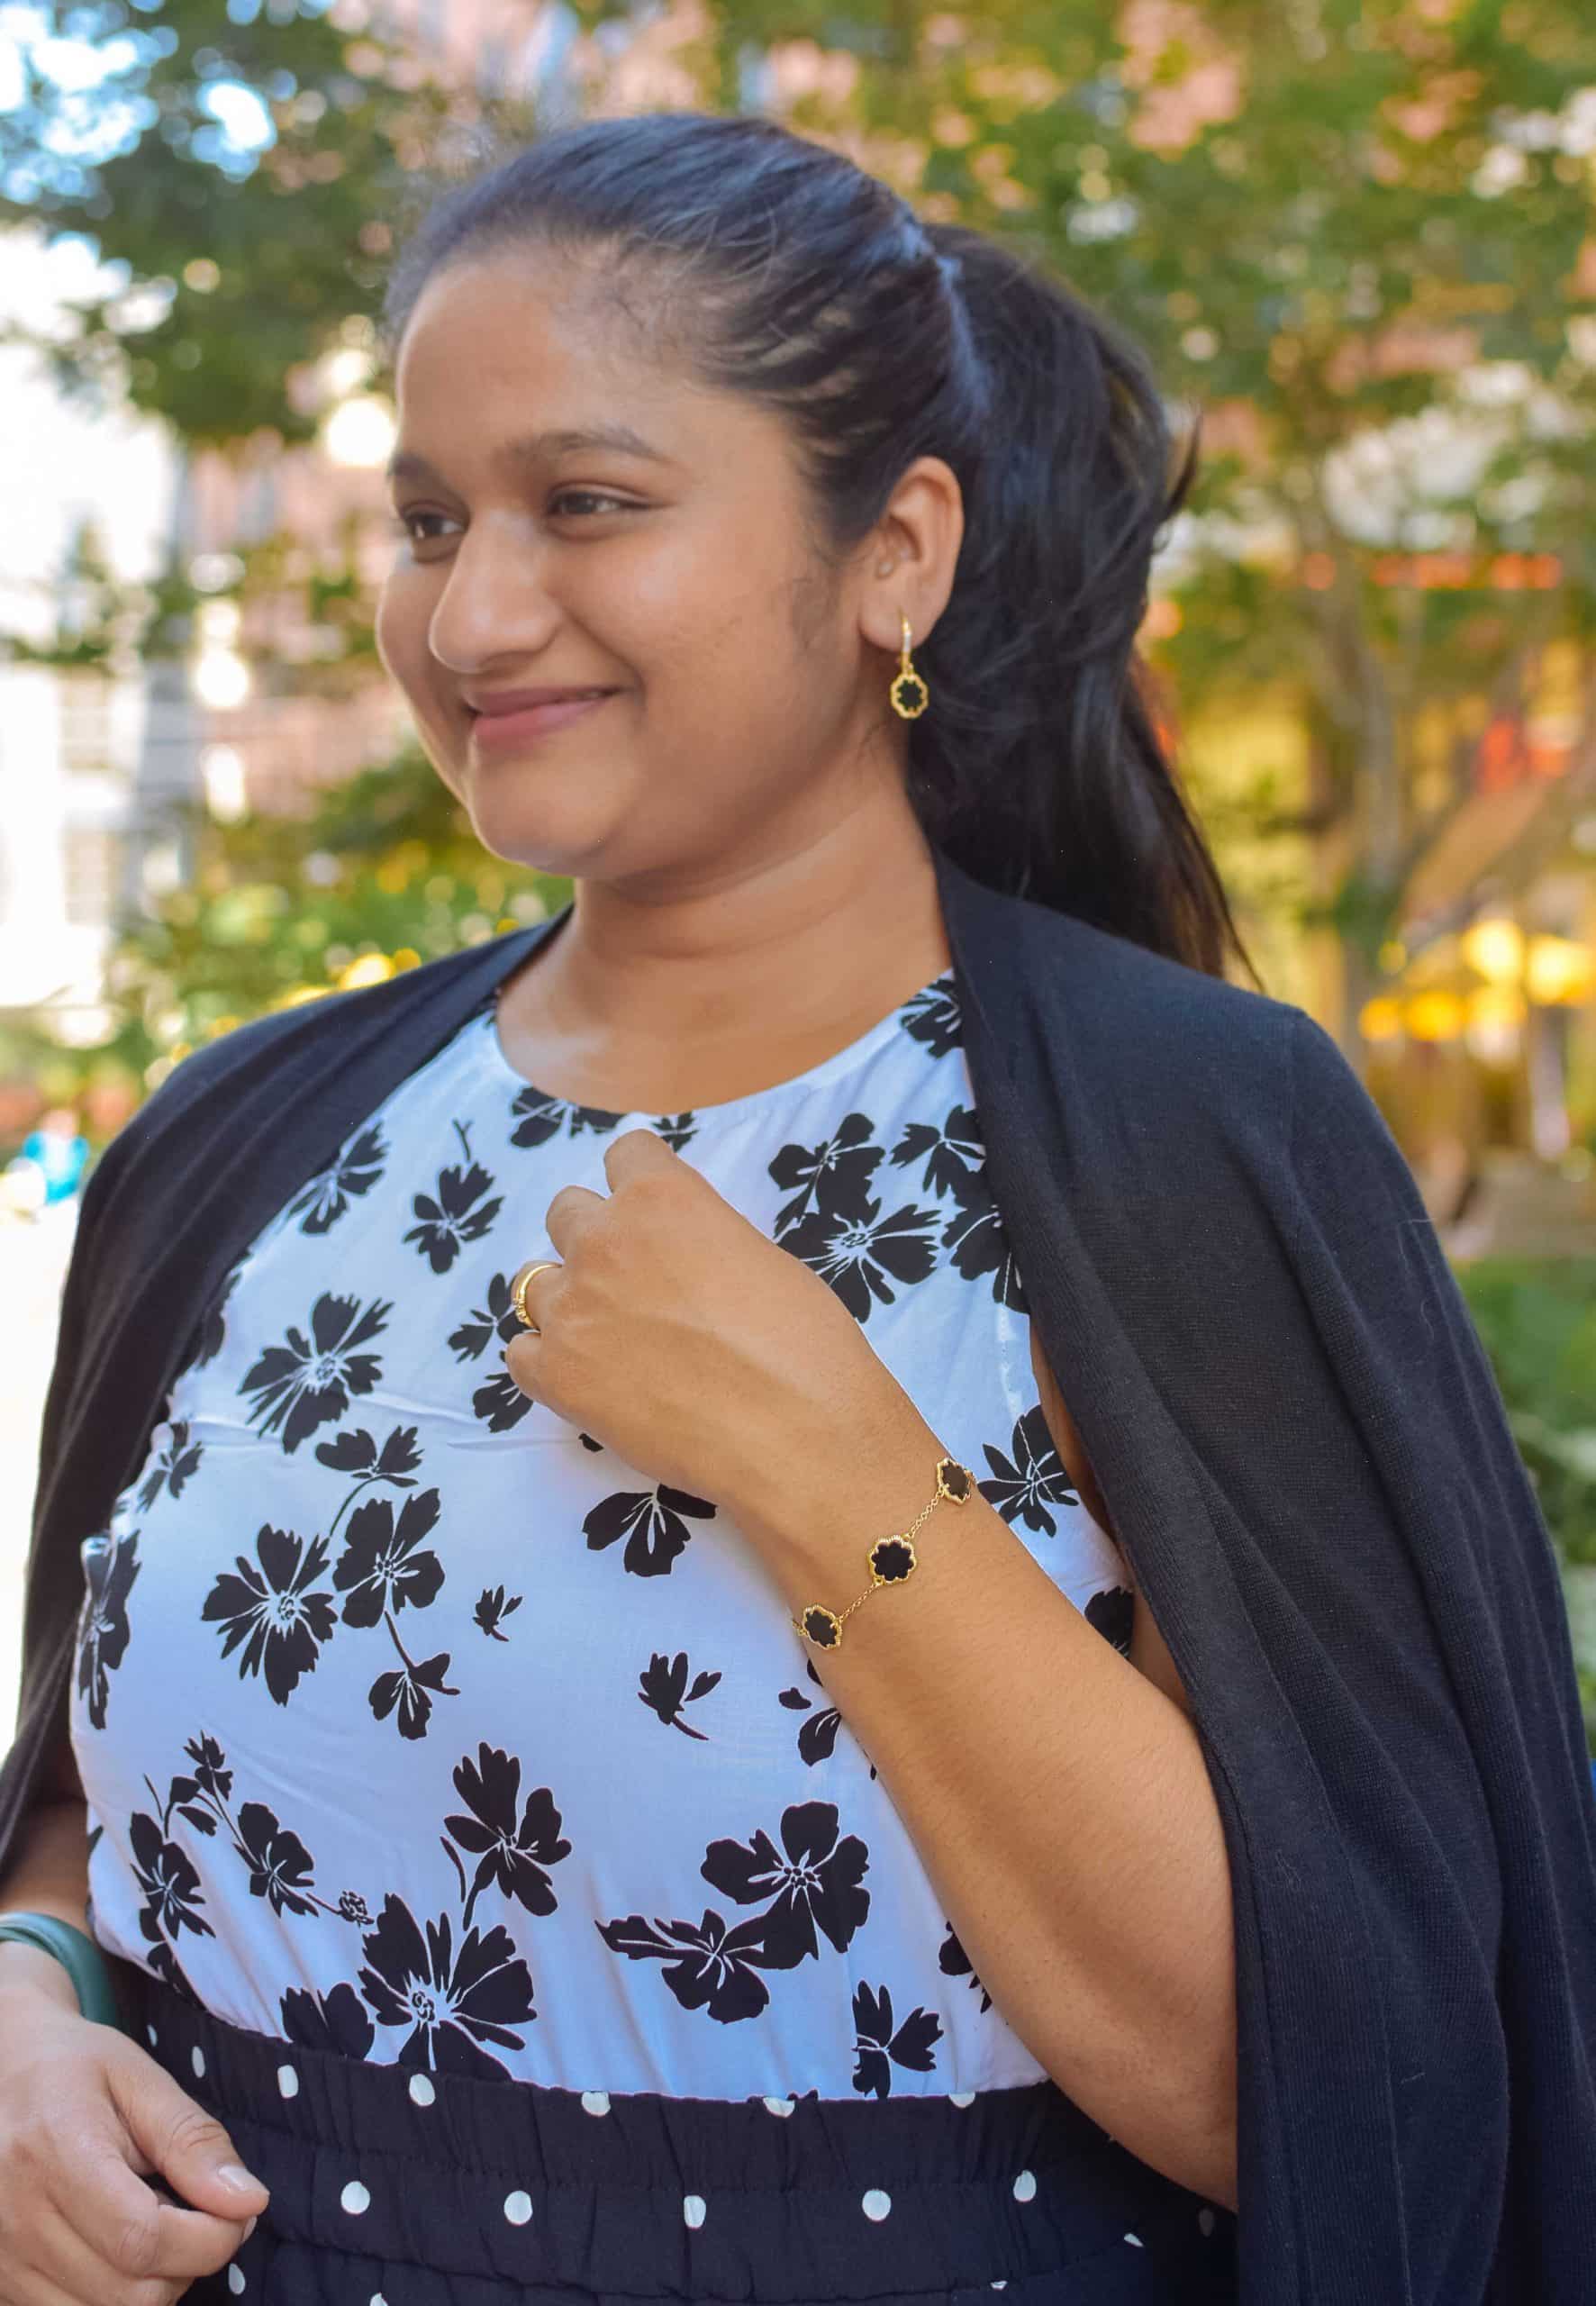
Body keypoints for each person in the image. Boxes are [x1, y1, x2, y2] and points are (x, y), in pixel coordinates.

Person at [2, 110, 1593, 2306]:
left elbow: (1326, 2084)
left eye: (589, 503)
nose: (470, 612)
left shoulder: (1178, 1139)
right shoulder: (248, 1130)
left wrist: (829, 1463)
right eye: (428, 517)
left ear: (897, 552)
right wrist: (25, 1987)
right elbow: (114, 1755)